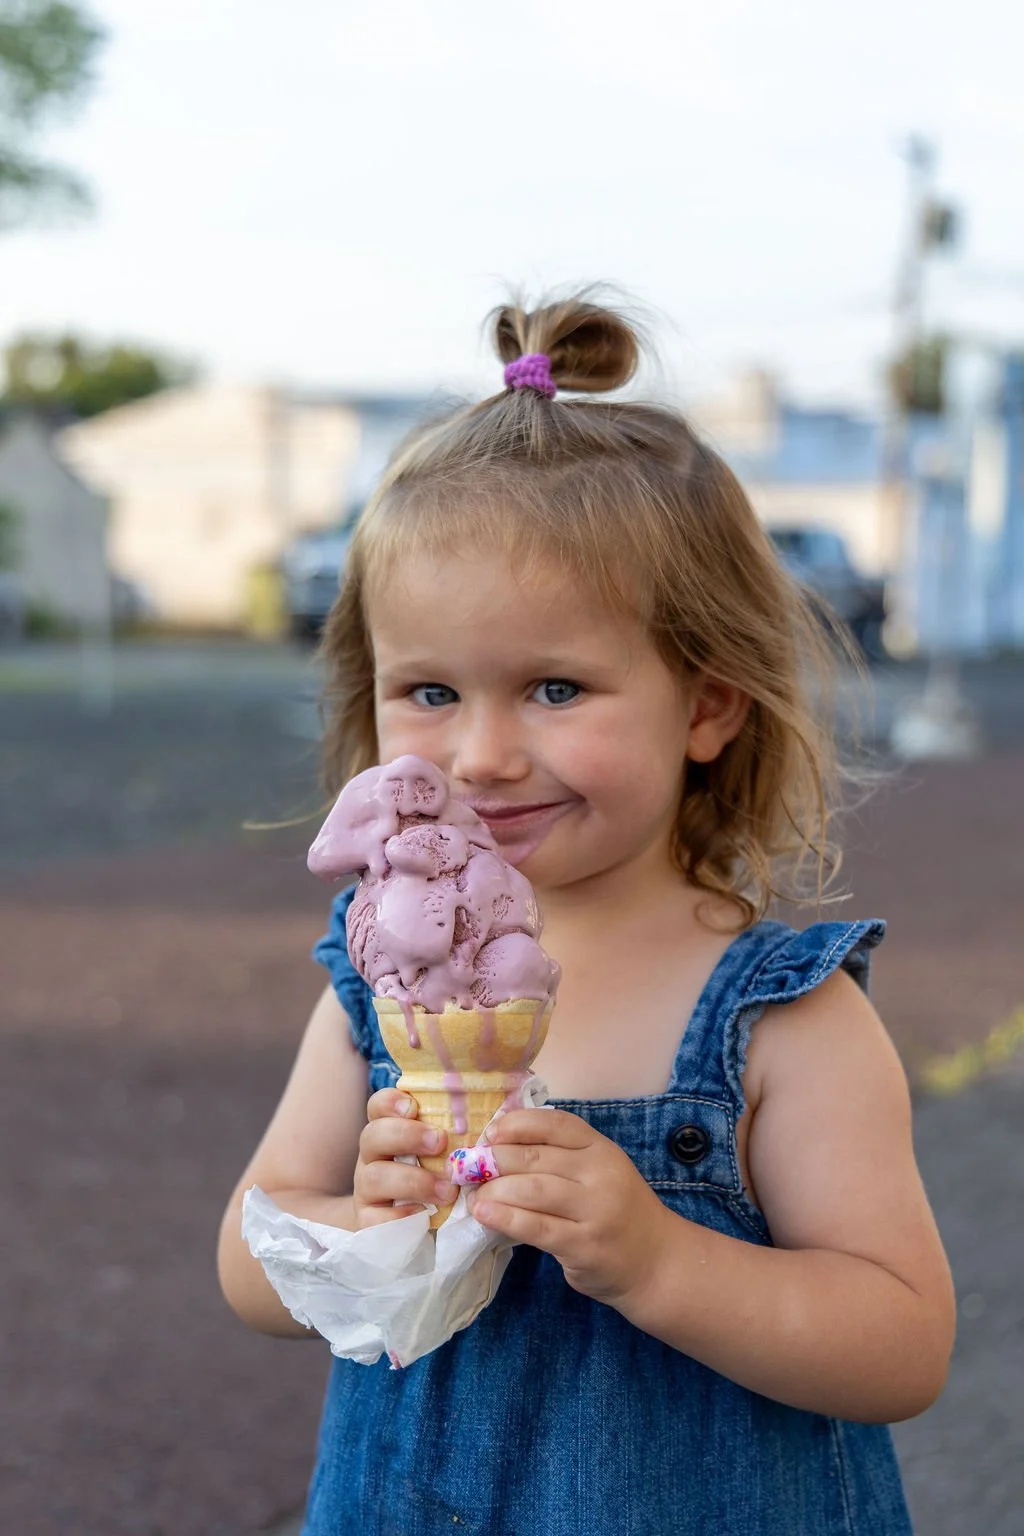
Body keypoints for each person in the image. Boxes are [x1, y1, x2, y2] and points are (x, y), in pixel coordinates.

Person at [218, 293, 955, 1535]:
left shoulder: (780, 1016)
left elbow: (900, 1342)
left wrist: (662, 1262)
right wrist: (359, 1223)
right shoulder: (371, 996)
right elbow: (251, 1261)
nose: (485, 753)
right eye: (432, 690)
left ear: (708, 708)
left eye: (556, 687)